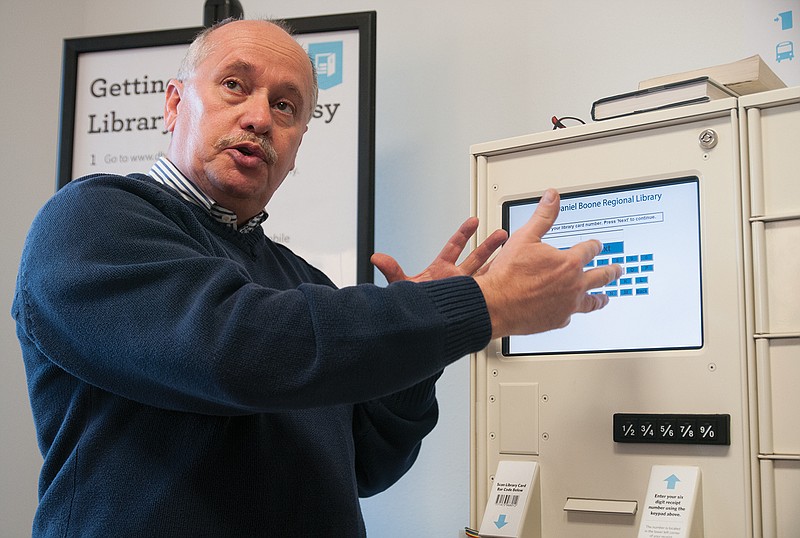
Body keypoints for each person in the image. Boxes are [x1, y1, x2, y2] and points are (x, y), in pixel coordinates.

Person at [12, 18, 621, 537]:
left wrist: (422, 346)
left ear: (300, 138)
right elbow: (241, 352)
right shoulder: (90, 220)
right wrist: (476, 305)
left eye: (286, 106)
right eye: (234, 86)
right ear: (174, 103)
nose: (258, 117)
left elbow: (366, 461)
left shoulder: (296, 278)